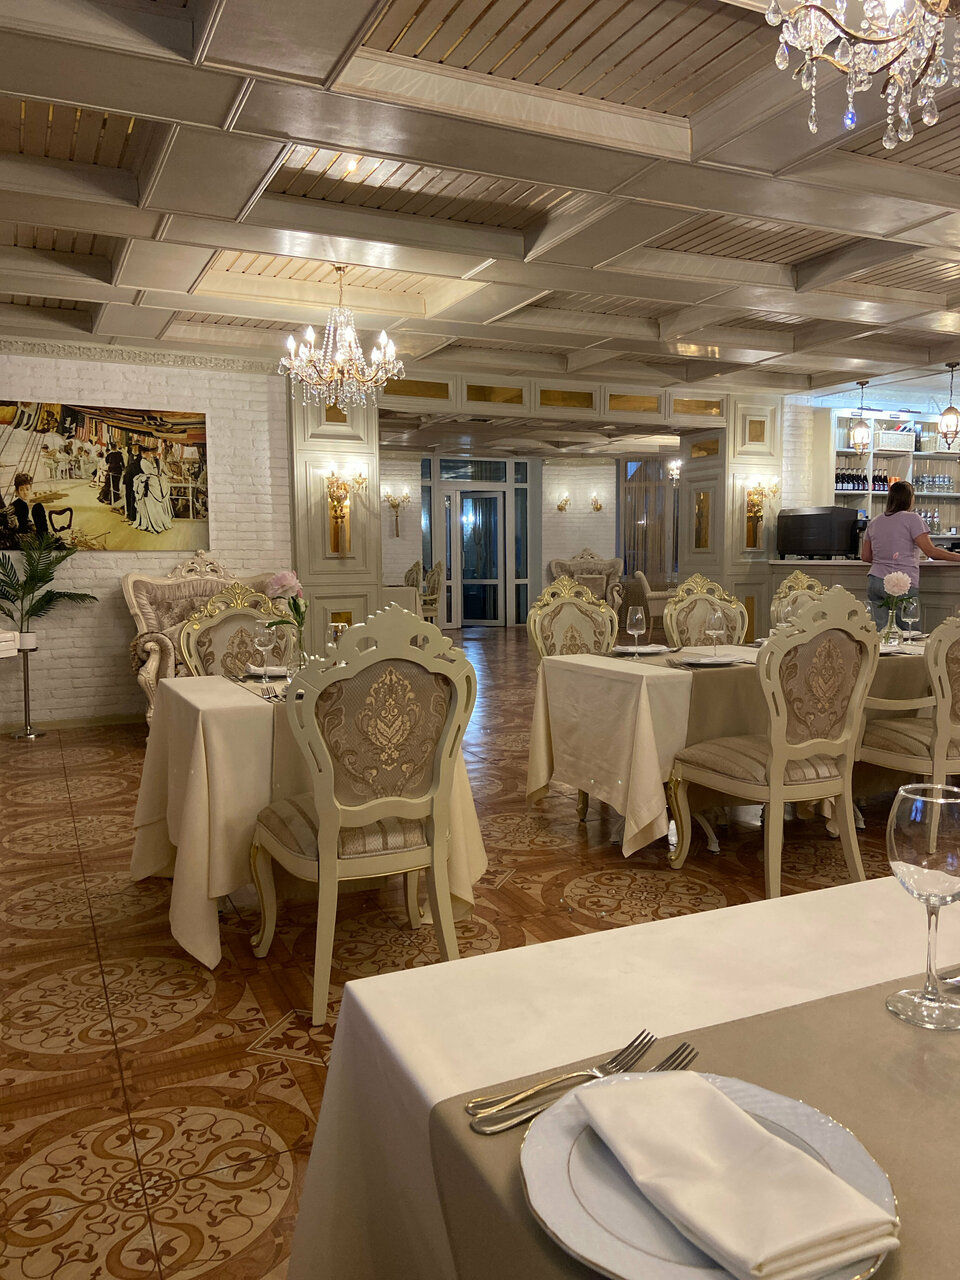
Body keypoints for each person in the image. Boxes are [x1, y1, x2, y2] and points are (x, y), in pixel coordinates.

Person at [862, 479, 960, 627]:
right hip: (902, 581)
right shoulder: (912, 519)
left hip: (875, 581)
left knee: (880, 631)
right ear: (910, 498)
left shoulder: (875, 521)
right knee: (909, 630)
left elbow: (865, 556)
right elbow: (930, 551)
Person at [133, 449, 173, 534]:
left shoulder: (157, 461)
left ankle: (159, 521)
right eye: (149, 452)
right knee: (150, 503)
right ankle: (151, 521)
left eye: (153, 452)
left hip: (156, 483)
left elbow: (164, 471)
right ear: (144, 453)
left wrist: (172, 476)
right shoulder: (143, 462)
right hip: (149, 484)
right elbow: (150, 472)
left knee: (157, 504)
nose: (151, 454)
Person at [11, 472, 50, 539]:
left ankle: (44, 537)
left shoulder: (24, 504)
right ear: (17, 491)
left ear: (31, 490)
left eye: (27, 489)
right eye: (21, 489)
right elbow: (19, 527)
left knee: (38, 507)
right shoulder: (17, 505)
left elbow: (27, 522)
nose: (25, 492)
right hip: (19, 537)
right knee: (38, 507)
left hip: (26, 533)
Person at [98, 440, 124, 505]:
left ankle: (109, 498)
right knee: (116, 485)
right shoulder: (119, 454)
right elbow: (122, 463)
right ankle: (115, 498)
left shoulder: (109, 455)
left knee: (109, 484)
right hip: (118, 471)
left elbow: (107, 462)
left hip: (111, 471)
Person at [122, 443, 143, 524]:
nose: (134, 448)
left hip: (136, 480)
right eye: (133, 447)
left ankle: (133, 517)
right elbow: (127, 466)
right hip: (128, 480)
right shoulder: (130, 456)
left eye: (136, 447)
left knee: (134, 498)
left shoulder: (141, 458)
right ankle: (128, 515)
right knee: (127, 497)